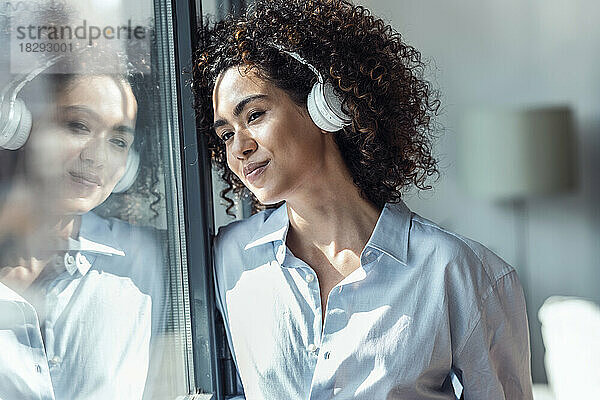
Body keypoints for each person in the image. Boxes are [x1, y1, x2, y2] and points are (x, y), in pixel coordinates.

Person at [193, 0, 534, 398]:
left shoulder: (454, 271)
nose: (239, 147)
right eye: (226, 134)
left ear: (325, 106)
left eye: (253, 116)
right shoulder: (227, 257)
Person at [0, 51, 166, 399]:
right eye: (77, 126)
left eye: (118, 141)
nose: (96, 157)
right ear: (16, 124)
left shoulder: (155, 259)